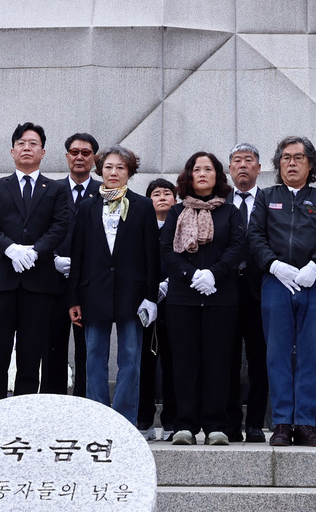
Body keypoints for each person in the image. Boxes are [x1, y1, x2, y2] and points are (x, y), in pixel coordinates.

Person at [248, 136, 316, 447]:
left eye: (298, 158)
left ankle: (305, 423)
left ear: (310, 164)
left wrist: (314, 267)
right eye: (286, 158)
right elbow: (255, 236)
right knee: (277, 354)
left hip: (314, 284)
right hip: (276, 283)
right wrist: (274, 266)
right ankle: (282, 423)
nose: (291, 163)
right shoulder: (265, 197)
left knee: (311, 355)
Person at [0, 122, 72, 400]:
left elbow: (59, 226)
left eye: (33, 143)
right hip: (0, 280)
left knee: (32, 354)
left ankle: (24, 412)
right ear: (12, 151)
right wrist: (11, 250)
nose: (27, 147)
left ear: (43, 152)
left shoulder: (55, 189)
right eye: (21, 143)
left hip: (38, 281)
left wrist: (34, 252)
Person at [67, 146, 159, 425]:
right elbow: (78, 254)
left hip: (132, 292)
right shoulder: (87, 206)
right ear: (100, 170)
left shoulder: (142, 206)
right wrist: (73, 299)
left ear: (129, 171)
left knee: (130, 357)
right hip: (93, 291)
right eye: (109, 167)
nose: (114, 172)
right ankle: (98, 417)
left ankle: (123, 419)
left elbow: (152, 256)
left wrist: (151, 297)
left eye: (120, 167)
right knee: (94, 355)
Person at [161, 152, 247, 445]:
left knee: (218, 362)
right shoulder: (176, 212)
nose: (202, 173)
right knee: (184, 362)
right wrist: (191, 276)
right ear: (189, 175)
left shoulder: (230, 212)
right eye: (196, 169)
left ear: (217, 175)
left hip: (220, 296)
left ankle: (215, 425)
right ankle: (184, 424)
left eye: (208, 169)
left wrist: (213, 274)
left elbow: (237, 247)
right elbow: (167, 251)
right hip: (183, 297)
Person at [43, 133, 99, 396]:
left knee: (88, 348)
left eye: (86, 153)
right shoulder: (50, 190)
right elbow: (37, 230)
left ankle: (85, 402)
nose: (79, 157)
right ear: (66, 156)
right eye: (74, 152)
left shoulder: (104, 192)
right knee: (52, 345)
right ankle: (54, 405)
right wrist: (52, 257)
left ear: (94, 159)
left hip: (89, 284)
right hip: (53, 281)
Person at [226, 143, 269, 443]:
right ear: (229, 169)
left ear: (258, 167)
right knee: (226, 359)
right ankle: (229, 423)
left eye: (249, 160)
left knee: (259, 359)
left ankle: (255, 423)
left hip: (261, 289)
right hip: (225, 288)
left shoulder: (269, 199)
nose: (243, 165)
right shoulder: (218, 201)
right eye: (237, 161)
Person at [138, 178, 178, 440]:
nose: (162, 197)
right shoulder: (141, 227)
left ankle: (172, 421)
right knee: (144, 365)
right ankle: (143, 421)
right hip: (145, 305)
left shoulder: (181, 225)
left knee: (174, 365)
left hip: (175, 303)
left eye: (167, 193)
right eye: (156, 193)